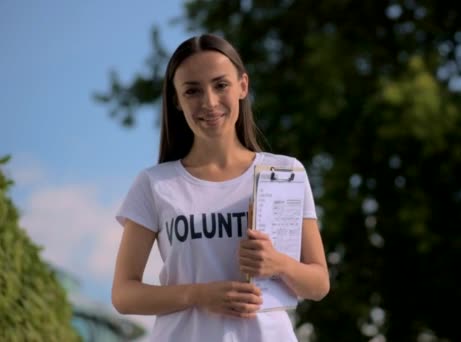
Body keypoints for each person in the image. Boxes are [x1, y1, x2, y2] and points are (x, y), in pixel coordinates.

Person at [111, 33, 330, 342]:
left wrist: (278, 263)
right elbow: (123, 294)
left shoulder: (285, 172)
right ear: (177, 100)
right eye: (193, 91)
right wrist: (197, 295)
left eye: (220, 85)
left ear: (243, 85)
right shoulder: (154, 184)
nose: (209, 102)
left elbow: (319, 284)